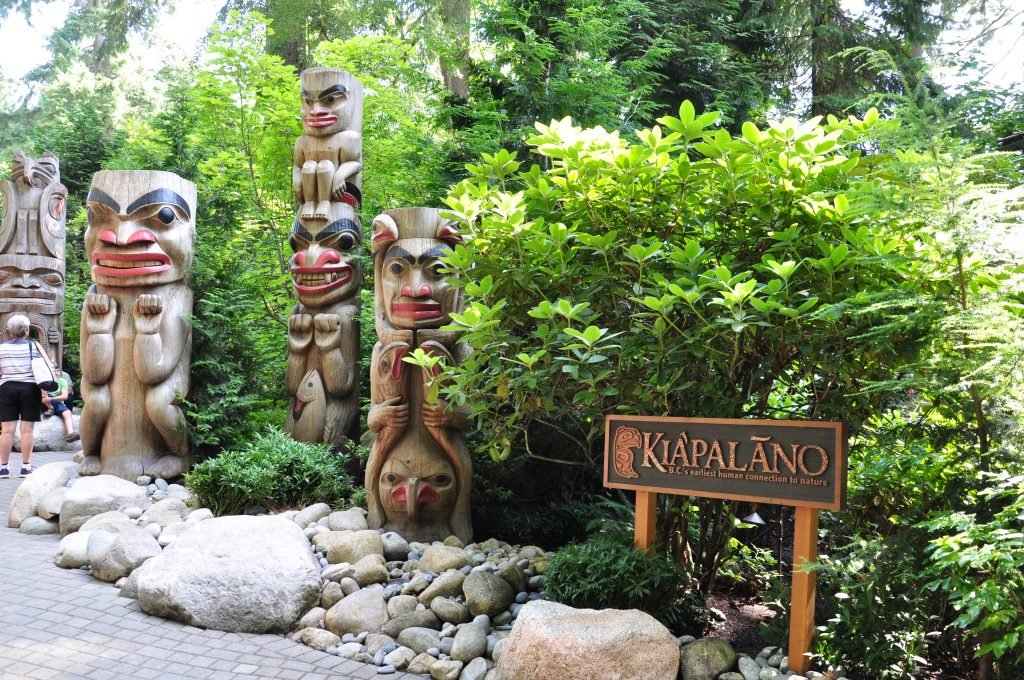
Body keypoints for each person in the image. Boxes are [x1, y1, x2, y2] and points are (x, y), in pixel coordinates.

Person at [0, 314, 51, 478]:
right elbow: (47, 366)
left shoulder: (2, 348)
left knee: (7, 431)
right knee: (27, 430)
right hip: (30, 389)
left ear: (9, 332)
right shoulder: (34, 346)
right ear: (27, 330)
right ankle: (25, 467)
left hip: (6, 388)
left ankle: (4, 468)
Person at [42, 360, 79, 443]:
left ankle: (71, 433)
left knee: (67, 412)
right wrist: (48, 399)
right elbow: (43, 397)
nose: (56, 372)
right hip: (44, 403)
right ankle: (50, 408)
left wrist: (50, 399)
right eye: (53, 370)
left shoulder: (62, 381)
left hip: (55, 402)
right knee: (41, 394)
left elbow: (65, 396)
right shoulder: (44, 381)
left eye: (57, 370)